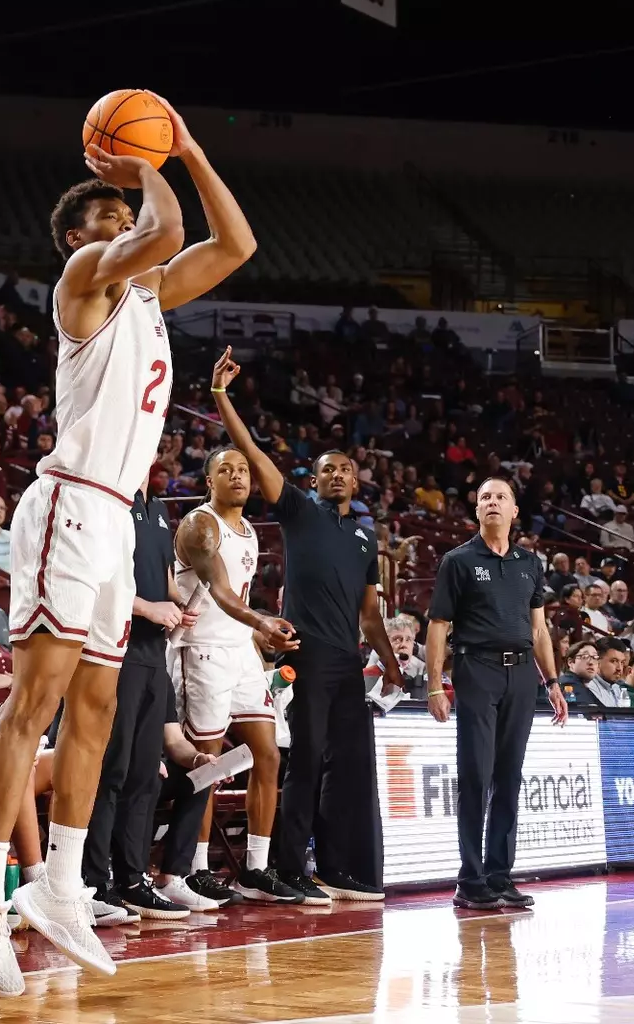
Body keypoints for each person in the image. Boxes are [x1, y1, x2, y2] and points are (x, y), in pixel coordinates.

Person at [0, 97, 257, 998]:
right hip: (70, 505)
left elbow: (233, 246)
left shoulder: (153, 297)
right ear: (76, 236)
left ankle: (62, 884)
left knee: (100, 711)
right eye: (102, 211)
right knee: (32, 703)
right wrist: (143, 171)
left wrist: (187, 147)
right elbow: (164, 228)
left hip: (119, 517)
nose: (118, 217)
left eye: (120, 209)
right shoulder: (85, 277)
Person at [210, 349, 404, 907]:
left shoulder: (367, 537)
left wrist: (389, 666)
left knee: (347, 769)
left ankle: (339, 867)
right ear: (314, 481)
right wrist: (223, 396)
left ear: (357, 479)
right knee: (308, 759)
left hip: (349, 663)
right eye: (327, 469)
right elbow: (250, 450)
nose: (337, 474)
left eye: (345, 468)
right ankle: (288, 868)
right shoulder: (297, 509)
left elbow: (371, 612)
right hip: (308, 653)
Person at [422, 476, 568, 910]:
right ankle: (470, 880)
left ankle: (500, 876)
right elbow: (438, 626)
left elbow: (539, 628)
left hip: (522, 674)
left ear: (514, 511)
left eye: (501, 497)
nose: (492, 502)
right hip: (476, 669)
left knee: (509, 777)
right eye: (485, 497)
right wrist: (434, 684)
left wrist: (554, 681)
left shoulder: (529, 563)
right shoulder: (458, 560)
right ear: (477, 509)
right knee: (475, 775)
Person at [171, 448, 306, 905]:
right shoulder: (199, 525)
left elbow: (240, 603)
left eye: (243, 469)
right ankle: (195, 870)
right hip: (201, 651)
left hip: (241, 653)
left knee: (266, 754)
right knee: (208, 762)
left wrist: (264, 630)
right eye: (225, 470)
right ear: (208, 480)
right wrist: (262, 622)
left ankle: (255, 868)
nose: (237, 476)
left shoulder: (248, 530)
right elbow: (221, 591)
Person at [85, 480, 213, 917]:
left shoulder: (157, 507)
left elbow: (160, 575)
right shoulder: (109, 500)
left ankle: (132, 878)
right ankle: (94, 883)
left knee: (144, 775)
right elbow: (95, 579)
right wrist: (145, 607)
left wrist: (177, 602)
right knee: (111, 771)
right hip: (113, 650)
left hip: (152, 652)